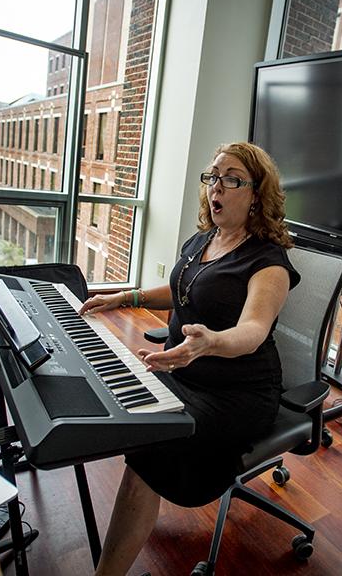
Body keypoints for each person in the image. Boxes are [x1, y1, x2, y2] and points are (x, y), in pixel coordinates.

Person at [78, 142, 300, 575]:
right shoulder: (204, 239)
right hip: (185, 371)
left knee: (150, 450)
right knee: (131, 412)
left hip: (237, 393)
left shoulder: (269, 262)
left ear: (256, 194)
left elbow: (253, 331)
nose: (217, 186)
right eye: (213, 176)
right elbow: (182, 287)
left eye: (232, 179)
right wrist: (124, 295)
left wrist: (210, 342)